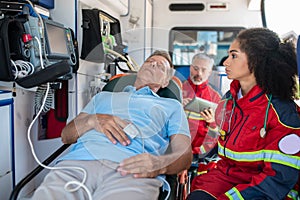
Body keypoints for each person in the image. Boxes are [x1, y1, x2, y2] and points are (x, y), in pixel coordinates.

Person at [31, 50, 192, 200]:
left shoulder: (171, 106)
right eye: (150, 61)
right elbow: (66, 136)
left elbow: (184, 156)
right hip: (77, 165)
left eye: (161, 66)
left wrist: (159, 165)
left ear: (165, 82)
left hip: (133, 170)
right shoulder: (103, 97)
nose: (153, 64)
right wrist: (91, 120)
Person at [188, 27, 300, 200]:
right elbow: (225, 161)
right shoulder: (228, 102)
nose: (225, 62)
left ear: (255, 61)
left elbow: (278, 179)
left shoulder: (283, 114)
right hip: (228, 178)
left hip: (267, 190)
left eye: (234, 56)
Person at [182, 53, 222, 157]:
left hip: (201, 156)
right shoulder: (177, 89)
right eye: (196, 68)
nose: (198, 73)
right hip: (176, 152)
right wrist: (177, 107)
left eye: (203, 70)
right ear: (190, 68)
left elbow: (221, 133)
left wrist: (212, 121)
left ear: (209, 73)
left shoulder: (216, 97)